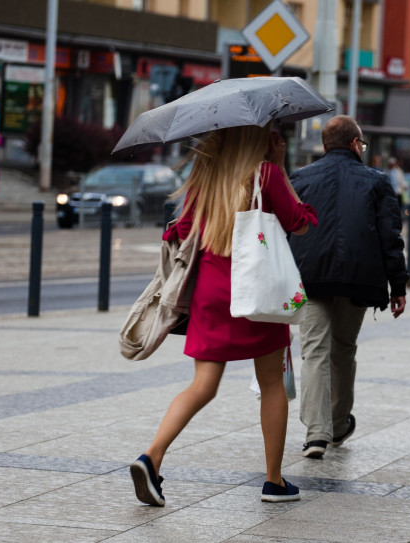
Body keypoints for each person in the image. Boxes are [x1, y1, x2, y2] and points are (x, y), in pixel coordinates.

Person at [130, 123, 317, 507]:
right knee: (272, 384)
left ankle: (152, 457)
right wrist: (279, 166)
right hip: (258, 292)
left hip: (211, 292)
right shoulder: (265, 174)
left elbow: (180, 230)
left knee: (203, 384)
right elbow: (299, 223)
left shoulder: (206, 175)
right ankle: (274, 481)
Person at [288, 115, 408, 459]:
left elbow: (287, 228)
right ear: (356, 144)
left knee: (314, 351)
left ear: (325, 145)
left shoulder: (300, 178)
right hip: (359, 278)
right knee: (343, 349)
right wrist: (398, 285)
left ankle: (316, 434)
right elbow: (390, 237)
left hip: (310, 277)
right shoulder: (377, 181)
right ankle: (338, 424)